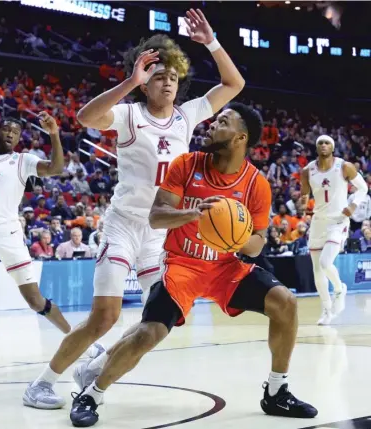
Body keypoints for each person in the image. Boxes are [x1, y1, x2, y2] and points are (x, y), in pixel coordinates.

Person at [24, 8, 245, 409]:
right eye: (159, 76)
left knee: (162, 319)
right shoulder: (129, 113)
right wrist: (130, 81)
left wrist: (211, 42)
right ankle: (41, 383)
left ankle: (97, 366)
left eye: (173, 77)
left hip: (159, 234)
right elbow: (85, 116)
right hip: (124, 226)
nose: (168, 83)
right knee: (104, 317)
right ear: (145, 83)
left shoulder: (187, 115)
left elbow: (234, 82)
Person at [69, 103, 318, 427]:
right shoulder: (187, 165)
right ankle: (91, 394)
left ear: (240, 137)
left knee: (285, 302)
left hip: (225, 267)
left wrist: (234, 235)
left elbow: (257, 244)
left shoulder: (256, 183)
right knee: (149, 332)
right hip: (181, 265)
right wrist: (193, 213)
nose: (212, 125)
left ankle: (276, 391)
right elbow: (157, 217)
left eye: (222, 122)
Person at [0, 113, 71, 374]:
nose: (10, 134)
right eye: (6, 129)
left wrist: (54, 134)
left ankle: (74, 336)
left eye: (15, 132)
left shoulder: (23, 161)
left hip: (8, 234)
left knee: (35, 300)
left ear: (19, 139)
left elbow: (56, 168)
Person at [301, 135, 368, 325]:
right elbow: (304, 195)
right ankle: (327, 309)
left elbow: (362, 188)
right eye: (320, 142)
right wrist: (302, 203)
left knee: (324, 262)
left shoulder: (344, 166)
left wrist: (353, 206)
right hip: (318, 221)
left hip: (338, 220)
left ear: (332, 147)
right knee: (317, 270)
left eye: (326, 142)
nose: (323, 145)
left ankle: (339, 289)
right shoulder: (307, 171)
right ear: (316, 147)